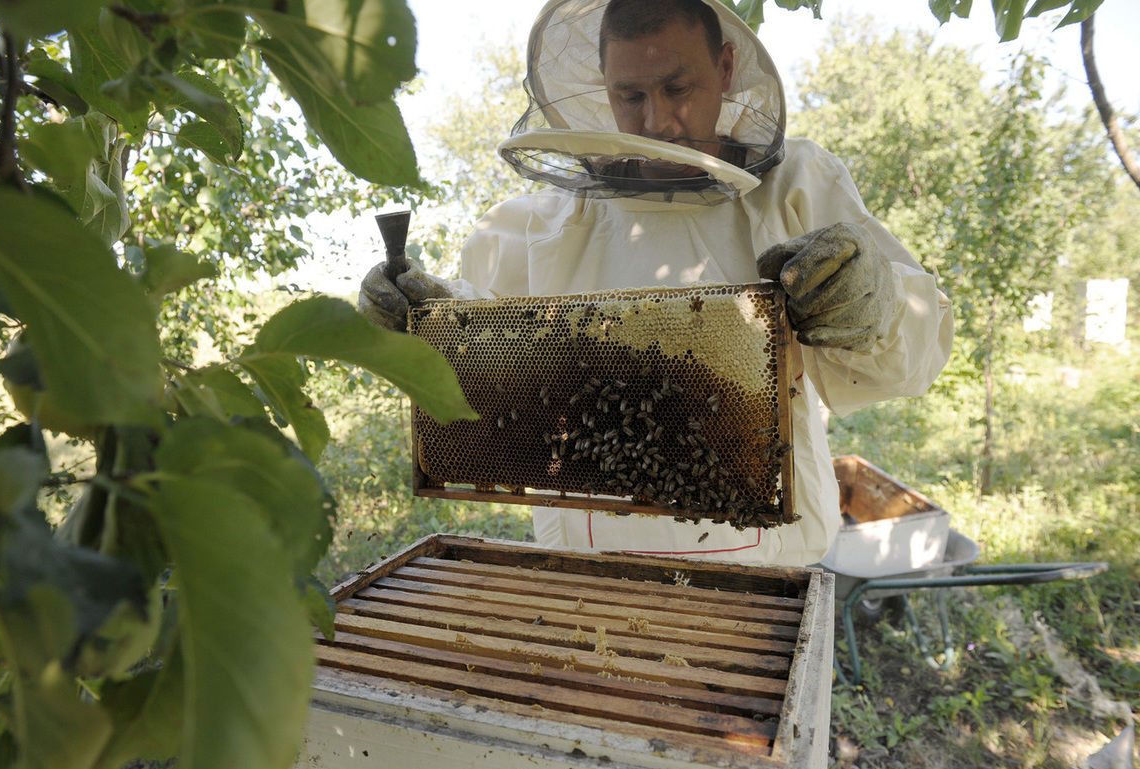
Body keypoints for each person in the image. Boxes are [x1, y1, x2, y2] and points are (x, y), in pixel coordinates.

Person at [359, 0, 953, 567]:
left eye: (677, 88)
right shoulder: (542, 224)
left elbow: (911, 358)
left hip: (765, 573)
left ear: (723, 69)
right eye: (630, 94)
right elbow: (486, 356)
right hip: (585, 574)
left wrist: (875, 304)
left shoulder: (794, 189)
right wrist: (424, 320)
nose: (657, 121)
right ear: (604, 83)